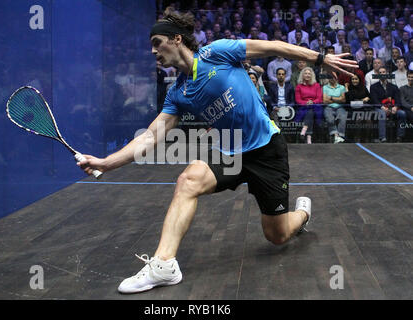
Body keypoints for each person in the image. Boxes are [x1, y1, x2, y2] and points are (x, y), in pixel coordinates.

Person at [77, 8, 357, 294]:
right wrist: (106, 162)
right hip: (228, 151)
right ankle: (164, 264)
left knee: (278, 235)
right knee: (187, 181)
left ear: (176, 39)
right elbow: (150, 137)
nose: (153, 51)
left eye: (157, 42)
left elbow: (273, 47)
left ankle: (302, 215)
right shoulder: (178, 93)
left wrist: (321, 59)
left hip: (266, 150)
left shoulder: (217, 52)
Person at [369, 66, 405, 142]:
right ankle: (382, 137)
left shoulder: (394, 87)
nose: (382, 74)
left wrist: (395, 107)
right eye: (380, 73)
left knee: (402, 113)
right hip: (379, 108)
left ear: (387, 74)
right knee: (382, 114)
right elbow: (374, 100)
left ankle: (400, 136)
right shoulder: (373, 87)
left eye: (384, 72)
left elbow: (398, 99)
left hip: (392, 108)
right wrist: (383, 107)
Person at [295, 67, 323, 144]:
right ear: (302, 75)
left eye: (309, 74)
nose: (307, 75)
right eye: (306, 73)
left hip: (315, 106)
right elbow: (298, 100)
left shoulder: (317, 85)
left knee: (311, 111)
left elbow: (319, 98)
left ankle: (304, 130)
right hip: (303, 107)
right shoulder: (299, 86)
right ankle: (308, 137)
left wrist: (312, 102)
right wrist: (306, 103)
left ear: (312, 75)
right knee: (310, 112)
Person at [323, 72, 347, 143]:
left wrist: (331, 98)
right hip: (328, 107)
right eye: (330, 77)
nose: (332, 79)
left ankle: (340, 136)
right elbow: (325, 101)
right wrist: (337, 99)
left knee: (343, 117)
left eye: (333, 77)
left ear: (336, 78)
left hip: (340, 107)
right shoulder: (325, 87)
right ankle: (336, 135)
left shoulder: (341, 87)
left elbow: (343, 100)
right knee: (330, 119)